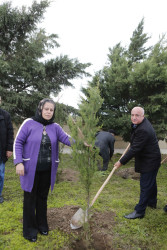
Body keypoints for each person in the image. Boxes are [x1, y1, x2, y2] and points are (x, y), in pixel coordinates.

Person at [13, 98, 74, 242]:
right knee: (30, 199)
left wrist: (83, 143)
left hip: (47, 170)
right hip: (29, 170)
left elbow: (67, 138)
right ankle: (29, 231)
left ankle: (42, 225)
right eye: (46, 109)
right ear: (40, 109)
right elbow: (18, 142)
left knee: (42, 198)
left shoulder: (55, 127)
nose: (48, 112)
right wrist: (18, 162)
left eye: (51, 110)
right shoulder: (29, 123)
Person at [114, 107, 161, 219]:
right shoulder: (142, 124)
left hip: (150, 160)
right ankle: (152, 202)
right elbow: (136, 138)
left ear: (143, 116)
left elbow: (134, 150)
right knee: (151, 182)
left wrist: (120, 162)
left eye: (137, 115)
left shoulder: (143, 129)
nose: (134, 118)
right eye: (132, 115)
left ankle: (139, 211)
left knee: (145, 185)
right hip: (152, 158)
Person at [0, 107, 14, 203]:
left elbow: (10, 133)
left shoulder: (5, 115)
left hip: (1, 151)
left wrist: (9, 148)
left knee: (0, 174)